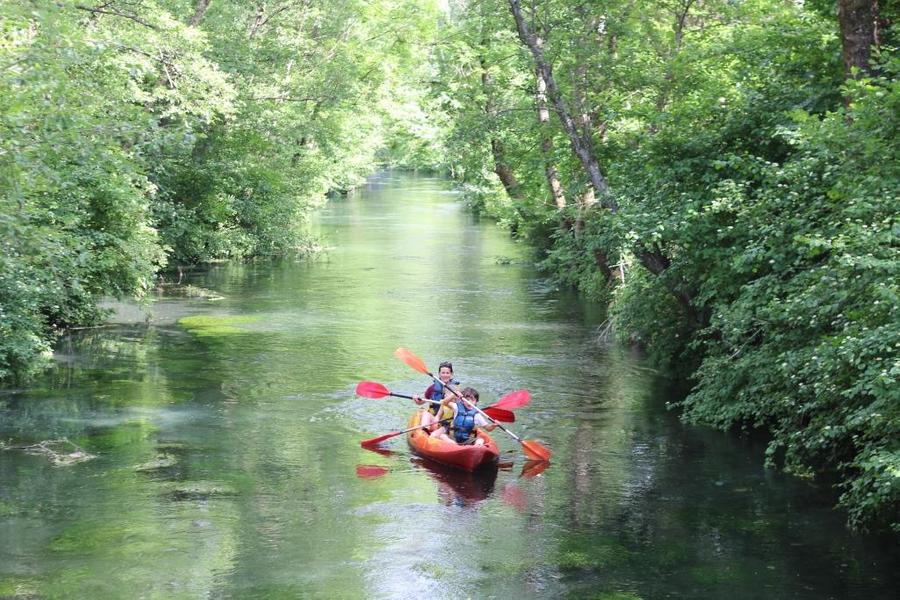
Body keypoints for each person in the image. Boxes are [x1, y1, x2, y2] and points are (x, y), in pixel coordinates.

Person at [431, 387, 496, 446]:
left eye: (472, 400)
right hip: (454, 438)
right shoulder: (456, 407)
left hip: (468, 439)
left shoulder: (477, 415)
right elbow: (444, 403)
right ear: (462, 400)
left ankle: (476, 448)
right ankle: (454, 445)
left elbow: (488, 428)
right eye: (467, 399)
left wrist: (494, 425)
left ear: (476, 402)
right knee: (442, 436)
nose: (469, 402)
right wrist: (453, 395)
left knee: (480, 440)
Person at [412, 361, 457, 430]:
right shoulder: (432, 388)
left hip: (449, 422)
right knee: (425, 414)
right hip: (434, 419)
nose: (445, 375)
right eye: (443, 373)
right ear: (439, 374)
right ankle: (424, 431)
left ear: (451, 374)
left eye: (447, 373)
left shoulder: (456, 390)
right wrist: (416, 399)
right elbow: (421, 402)